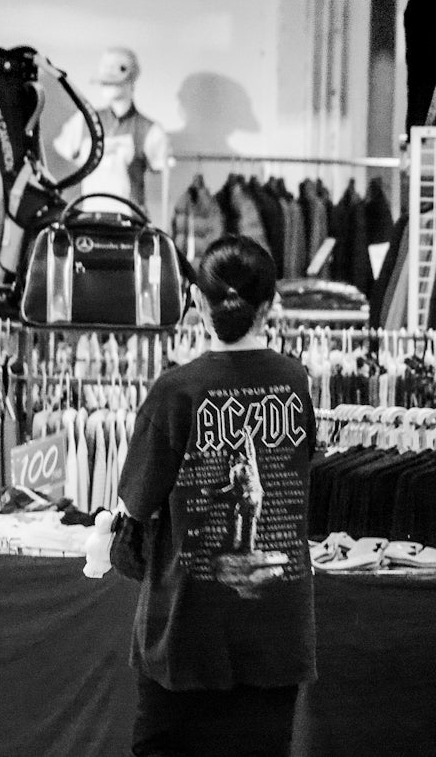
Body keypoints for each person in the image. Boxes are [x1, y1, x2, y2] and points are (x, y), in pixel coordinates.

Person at [117, 235, 317, 757]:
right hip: (275, 628)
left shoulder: (175, 389)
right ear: (270, 304)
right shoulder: (295, 383)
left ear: (197, 302)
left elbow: (136, 500)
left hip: (187, 628)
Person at [53, 46, 169, 215]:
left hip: (130, 221)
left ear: (131, 80)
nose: (109, 85)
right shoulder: (84, 121)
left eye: (114, 80)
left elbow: (160, 166)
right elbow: (66, 149)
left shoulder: (150, 130)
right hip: (89, 217)